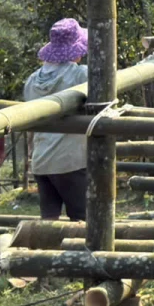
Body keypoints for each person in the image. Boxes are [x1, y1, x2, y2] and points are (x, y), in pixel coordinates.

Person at [24, 19, 91, 221]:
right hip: (70, 161)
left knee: (49, 221)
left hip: (42, 161)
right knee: (82, 219)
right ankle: (81, 254)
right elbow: (117, 80)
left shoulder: (32, 81)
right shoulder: (80, 75)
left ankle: (46, 252)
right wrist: (152, 58)